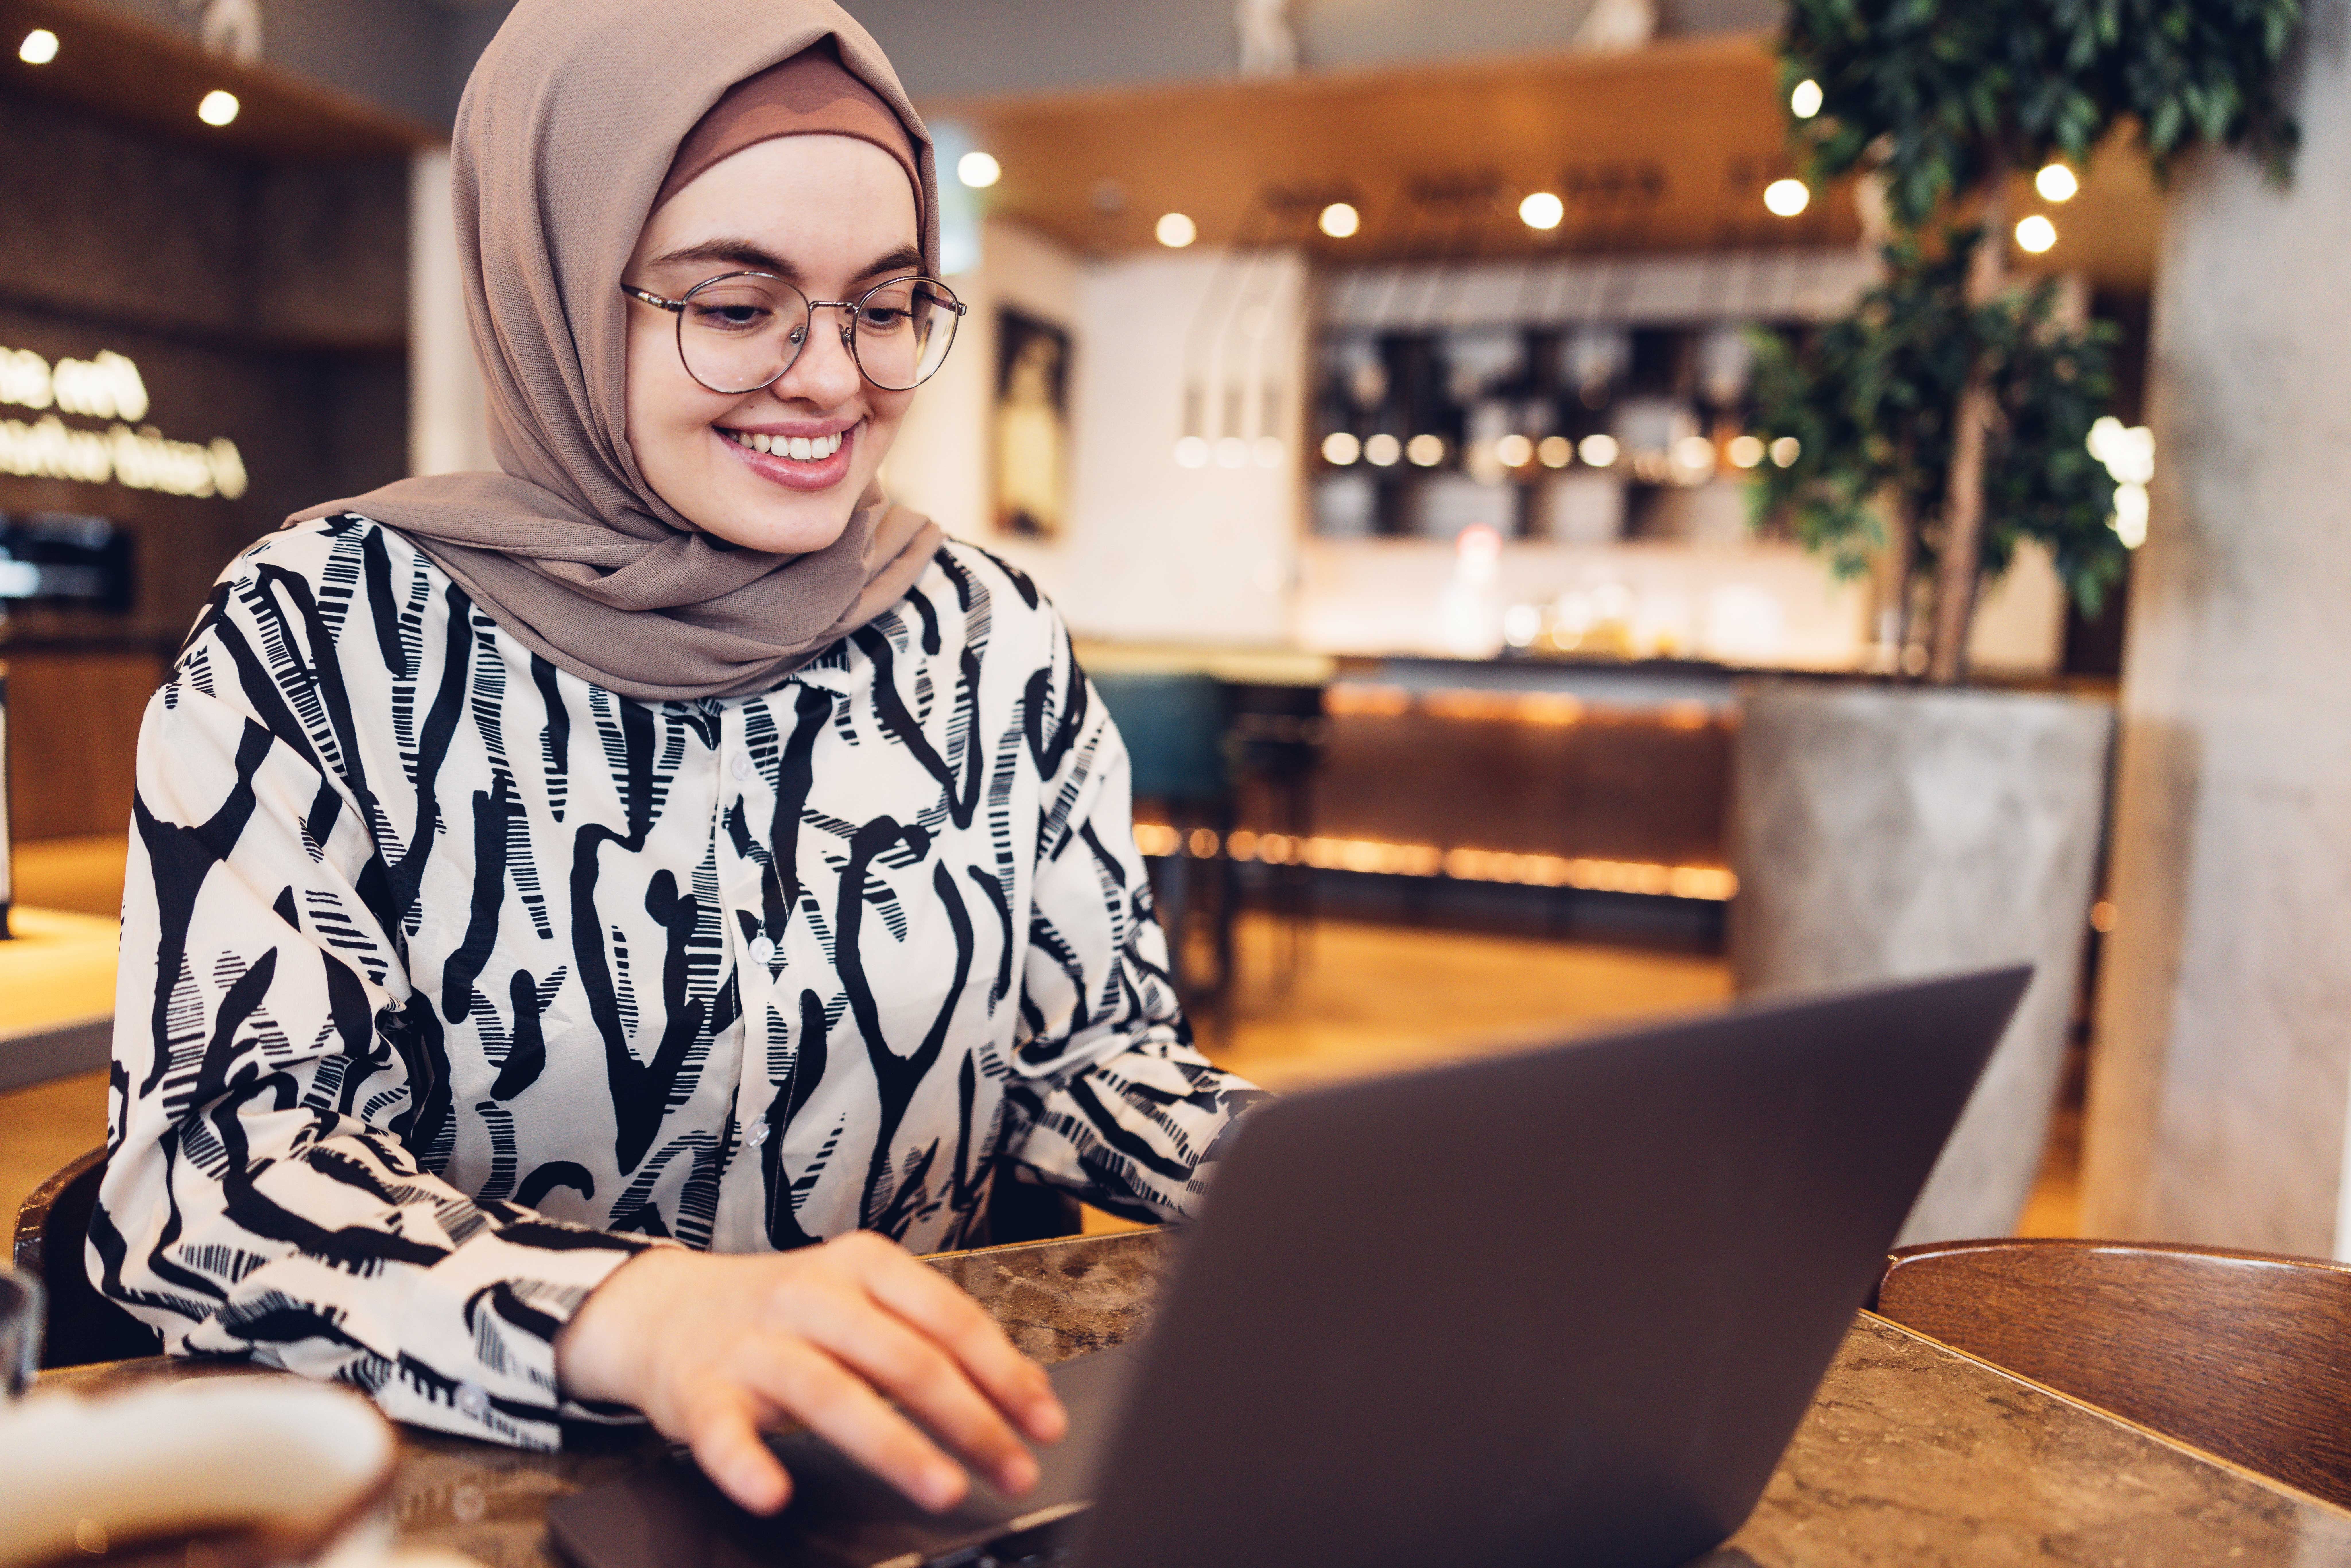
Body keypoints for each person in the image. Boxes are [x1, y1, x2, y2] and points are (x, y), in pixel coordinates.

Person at [94, 0, 1264, 1522]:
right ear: (560, 280)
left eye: (888, 301)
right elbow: (208, 1178)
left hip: (897, 1486)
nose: (835, 379)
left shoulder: (989, 638)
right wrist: (629, 1315)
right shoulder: (326, 636)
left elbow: (1079, 1053)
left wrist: (1327, 1178)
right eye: (737, 301)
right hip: (477, 1500)